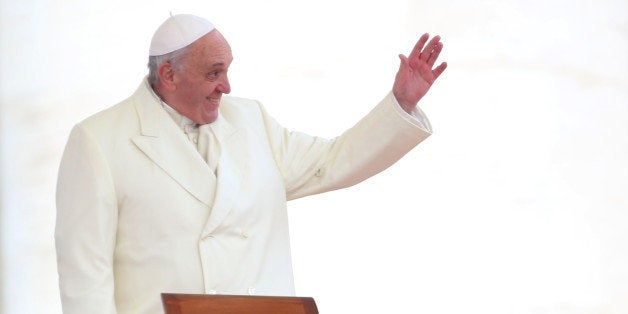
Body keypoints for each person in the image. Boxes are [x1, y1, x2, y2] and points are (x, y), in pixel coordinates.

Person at [55, 14, 447, 314]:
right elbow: (85, 276)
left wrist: (402, 102)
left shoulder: (252, 121)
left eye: (227, 69)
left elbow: (333, 162)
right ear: (169, 74)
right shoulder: (99, 140)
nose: (227, 86)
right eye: (214, 73)